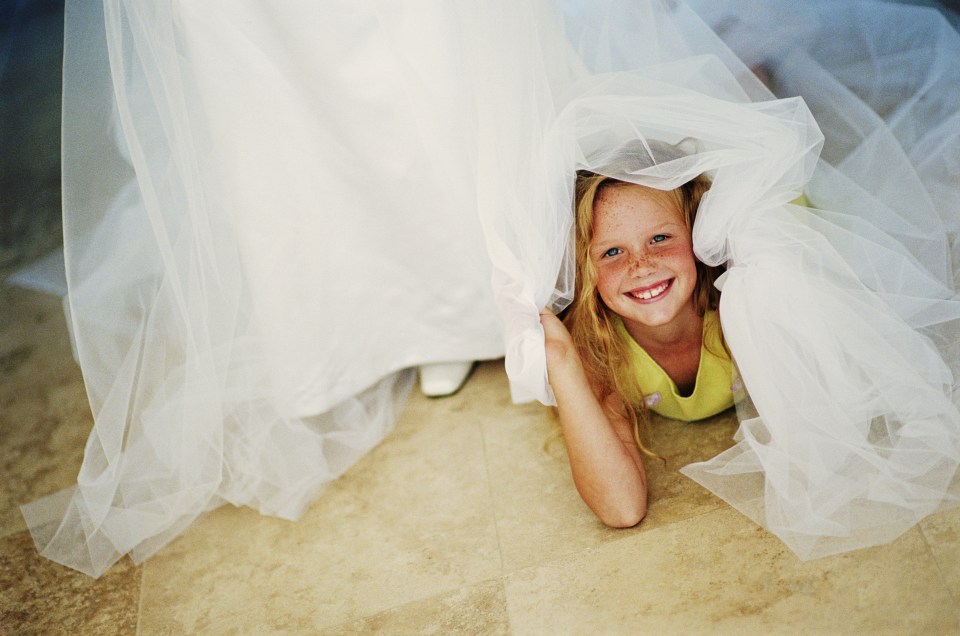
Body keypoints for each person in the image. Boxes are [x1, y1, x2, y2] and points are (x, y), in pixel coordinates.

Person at [540, 171, 728, 526]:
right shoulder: (600, 351)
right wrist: (561, 361)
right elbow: (622, 509)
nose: (641, 266)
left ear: (698, 238)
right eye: (612, 251)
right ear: (586, 271)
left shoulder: (740, 309)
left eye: (659, 238)